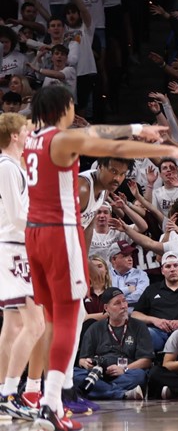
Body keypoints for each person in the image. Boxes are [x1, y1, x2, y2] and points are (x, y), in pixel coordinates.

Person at [23, 85, 178, 431]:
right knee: (71, 317)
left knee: (48, 321)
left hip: (33, 234)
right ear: (64, 108)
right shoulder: (59, 139)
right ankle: (53, 404)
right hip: (58, 232)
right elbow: (108, 144)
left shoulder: (30, 141)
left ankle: (35, 393)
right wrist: (144, 135)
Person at [0, 113, 44, 421]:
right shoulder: (6, 166)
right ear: (15, 136)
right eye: (26, 130)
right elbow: (17, 216)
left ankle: (3, 390)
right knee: (36, 324)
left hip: (13, 248)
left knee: (14, 325)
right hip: (16, 248)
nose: (30, 134)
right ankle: (9, 393)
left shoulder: (14, 166)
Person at [72, 287, 153, 400]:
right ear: (106, 308)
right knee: (74, 374)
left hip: (125, 373)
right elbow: (82, 359)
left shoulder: (139, 326)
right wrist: (86, 363)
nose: (124, 306)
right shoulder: (94, 328)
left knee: (140, 375)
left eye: (124, 301)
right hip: (99, 374)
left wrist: (124, 369)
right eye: (117, 303)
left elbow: (146, 360)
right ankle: (122, 394)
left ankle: (98, 390)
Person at [131, 252, 178, 354]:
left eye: (176, 265)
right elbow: (135, 315)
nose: (172, 269)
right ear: (162, 270)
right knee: (145, 333)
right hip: (158, 333)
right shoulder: (152, 289)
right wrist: (154, 320)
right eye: (168, 266)